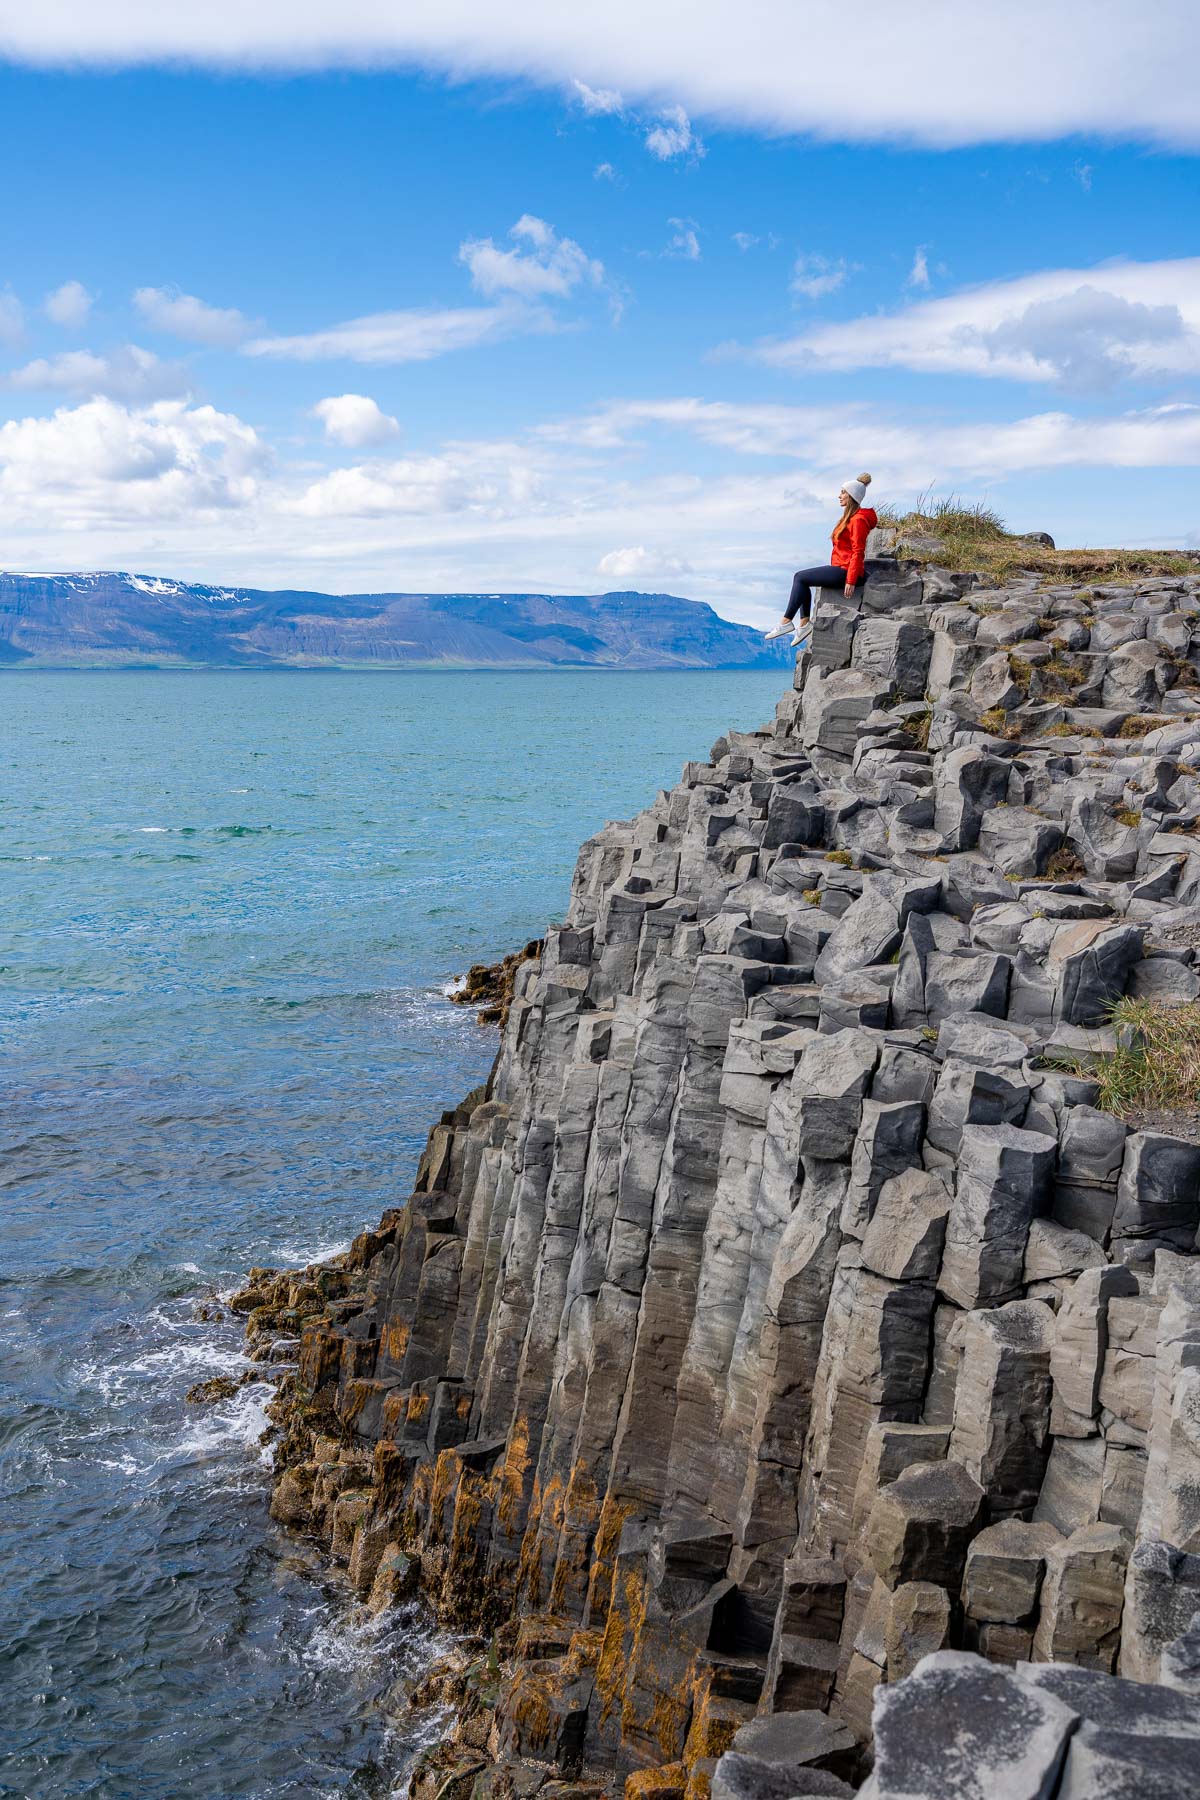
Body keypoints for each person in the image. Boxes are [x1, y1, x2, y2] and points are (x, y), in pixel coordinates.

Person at [765, 474, 878, 649]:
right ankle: (803, 624)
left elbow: (858, 551)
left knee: (800, 577)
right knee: (803, 580)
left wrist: (851, 580)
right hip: (841, 566)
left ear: (852, 496)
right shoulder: (849, 518)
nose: (839, 496)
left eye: (843, 493)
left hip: (847, 570)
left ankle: (787, 622)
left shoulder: (858, 520)